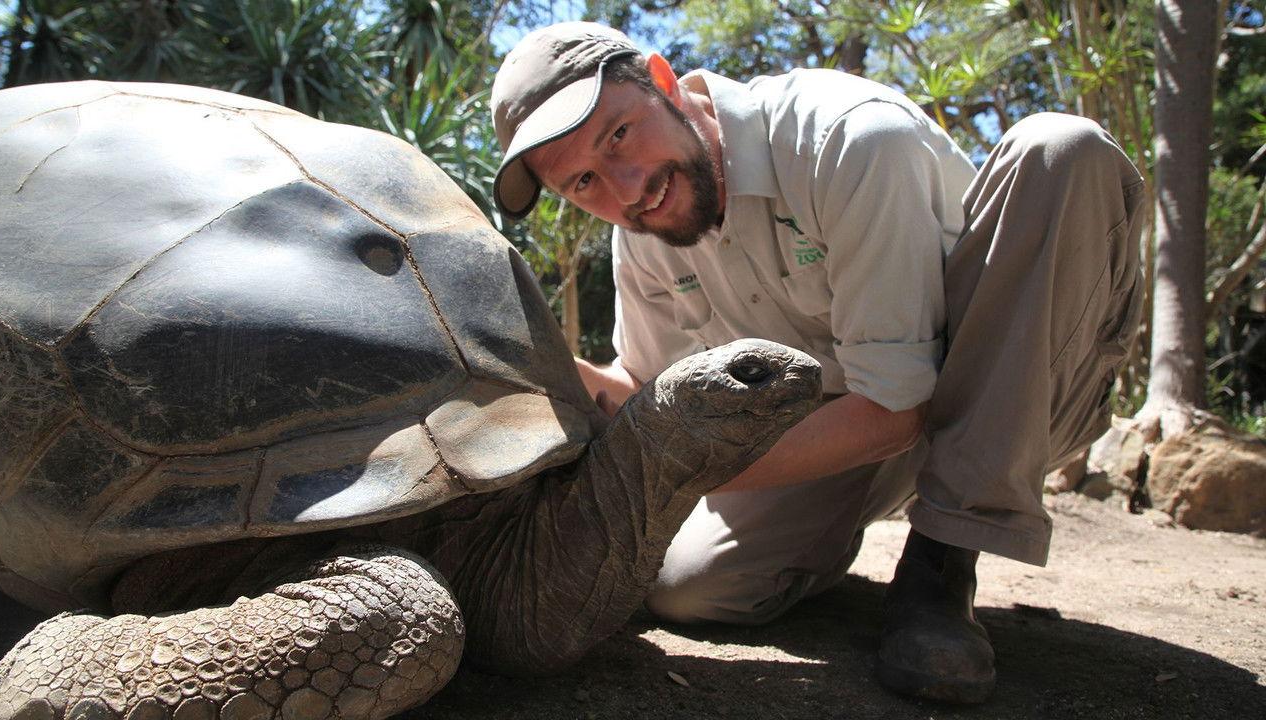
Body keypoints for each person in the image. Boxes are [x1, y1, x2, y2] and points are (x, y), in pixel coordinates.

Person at [488, 21, 1144, 704]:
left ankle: (942, 563)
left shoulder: (849, 140)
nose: (625, 190)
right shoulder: (647, 233)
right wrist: (526, 356)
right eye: (584, 181)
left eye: (618, 135)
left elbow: (896, 412)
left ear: (661, 81)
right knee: (690, 589)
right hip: (863, 422)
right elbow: (642, 391)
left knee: (1061, 149)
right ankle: (849, 537)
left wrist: (674, 468)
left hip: (1017, 392)